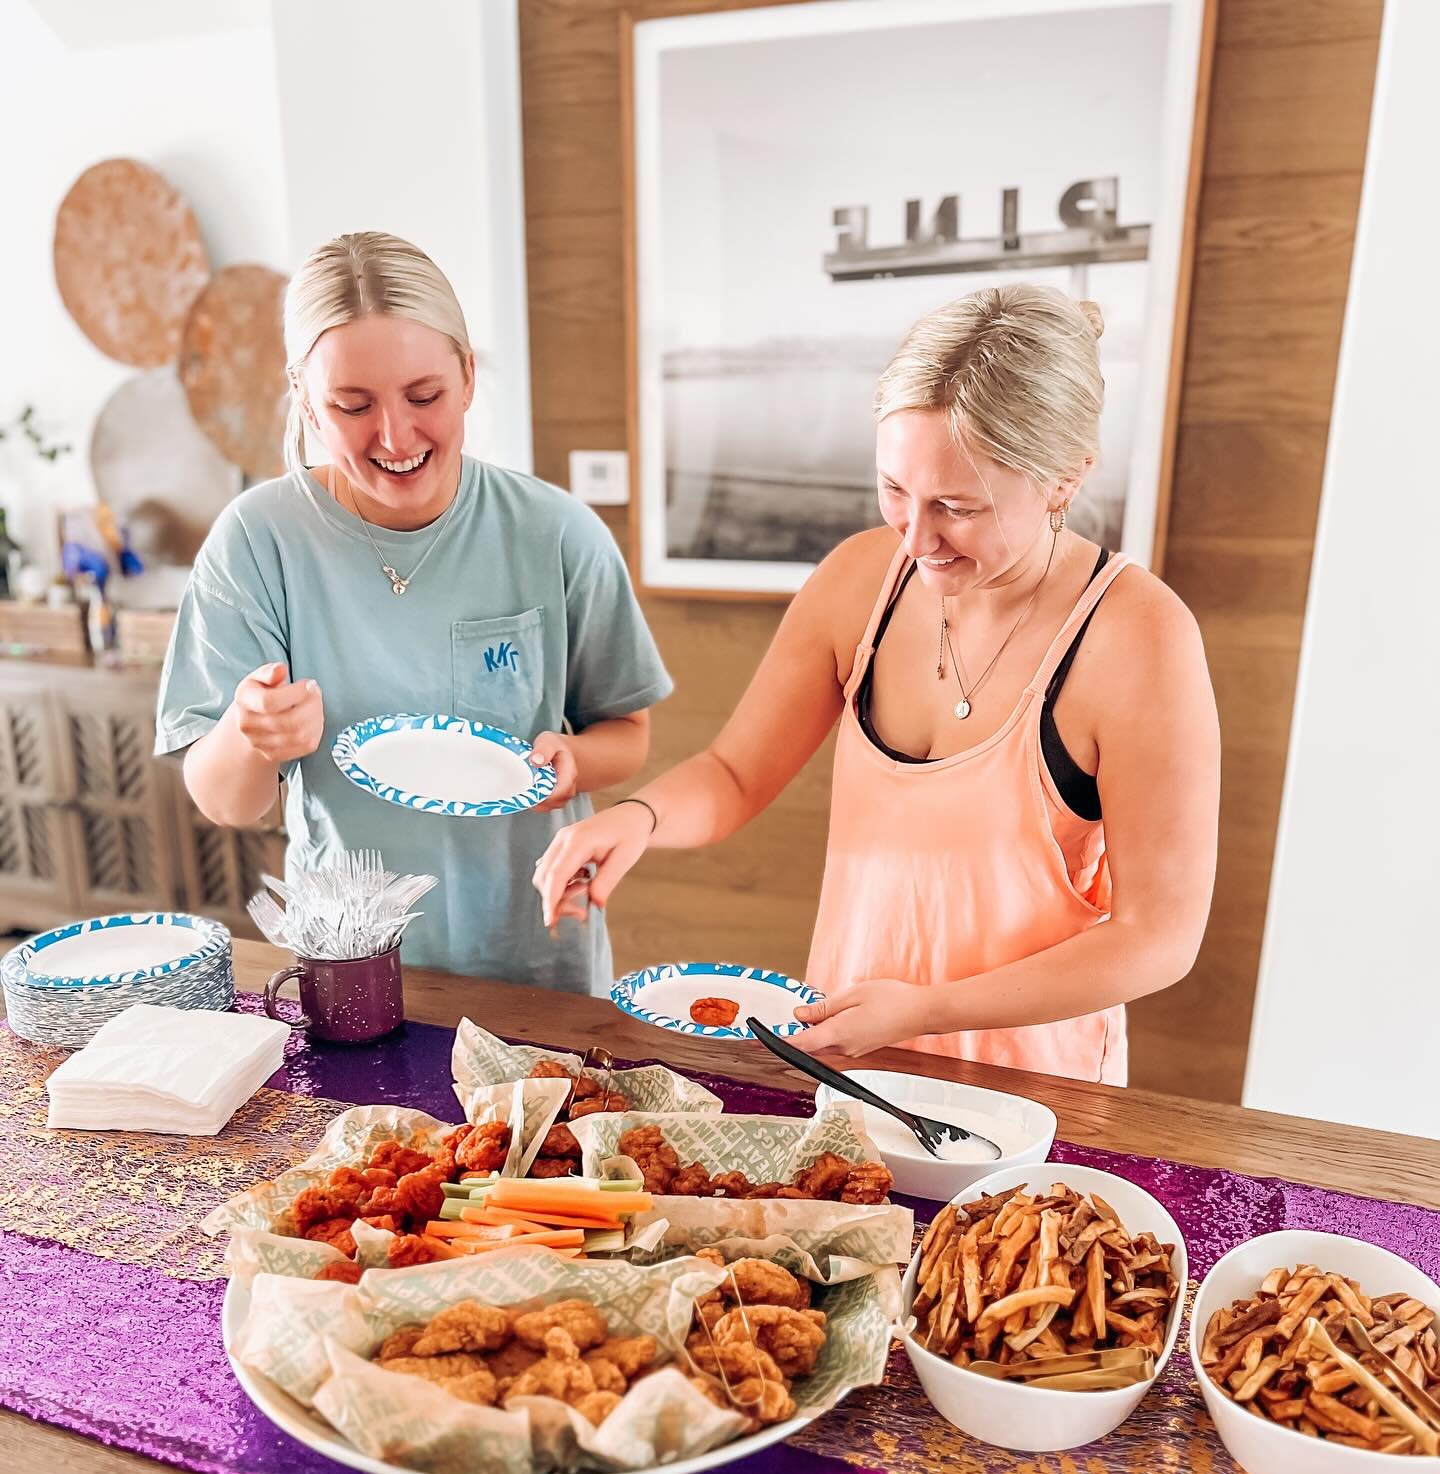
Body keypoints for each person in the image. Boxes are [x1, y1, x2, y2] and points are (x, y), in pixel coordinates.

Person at [535, 285, 1219, 1081]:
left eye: (958, 507)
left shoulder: (1139, 636)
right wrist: (641, 819)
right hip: (847, 1059)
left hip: (1035, 1094)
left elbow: (1158, 936)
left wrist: (930, 1009)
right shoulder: (861, 578)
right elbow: (735, 774)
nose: (918, 538)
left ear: (1065, 477)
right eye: (896, 490)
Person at [156, 231, 671, 991]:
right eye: (351, 404)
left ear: (466, 377)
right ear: (303, 395)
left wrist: (574, 761)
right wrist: (251, 733)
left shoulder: (554, 532)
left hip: (534, 960)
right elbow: (225, 800)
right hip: (355, 967)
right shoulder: (258, 541)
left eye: (423, 396)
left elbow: (626, 735)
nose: (395, 437)